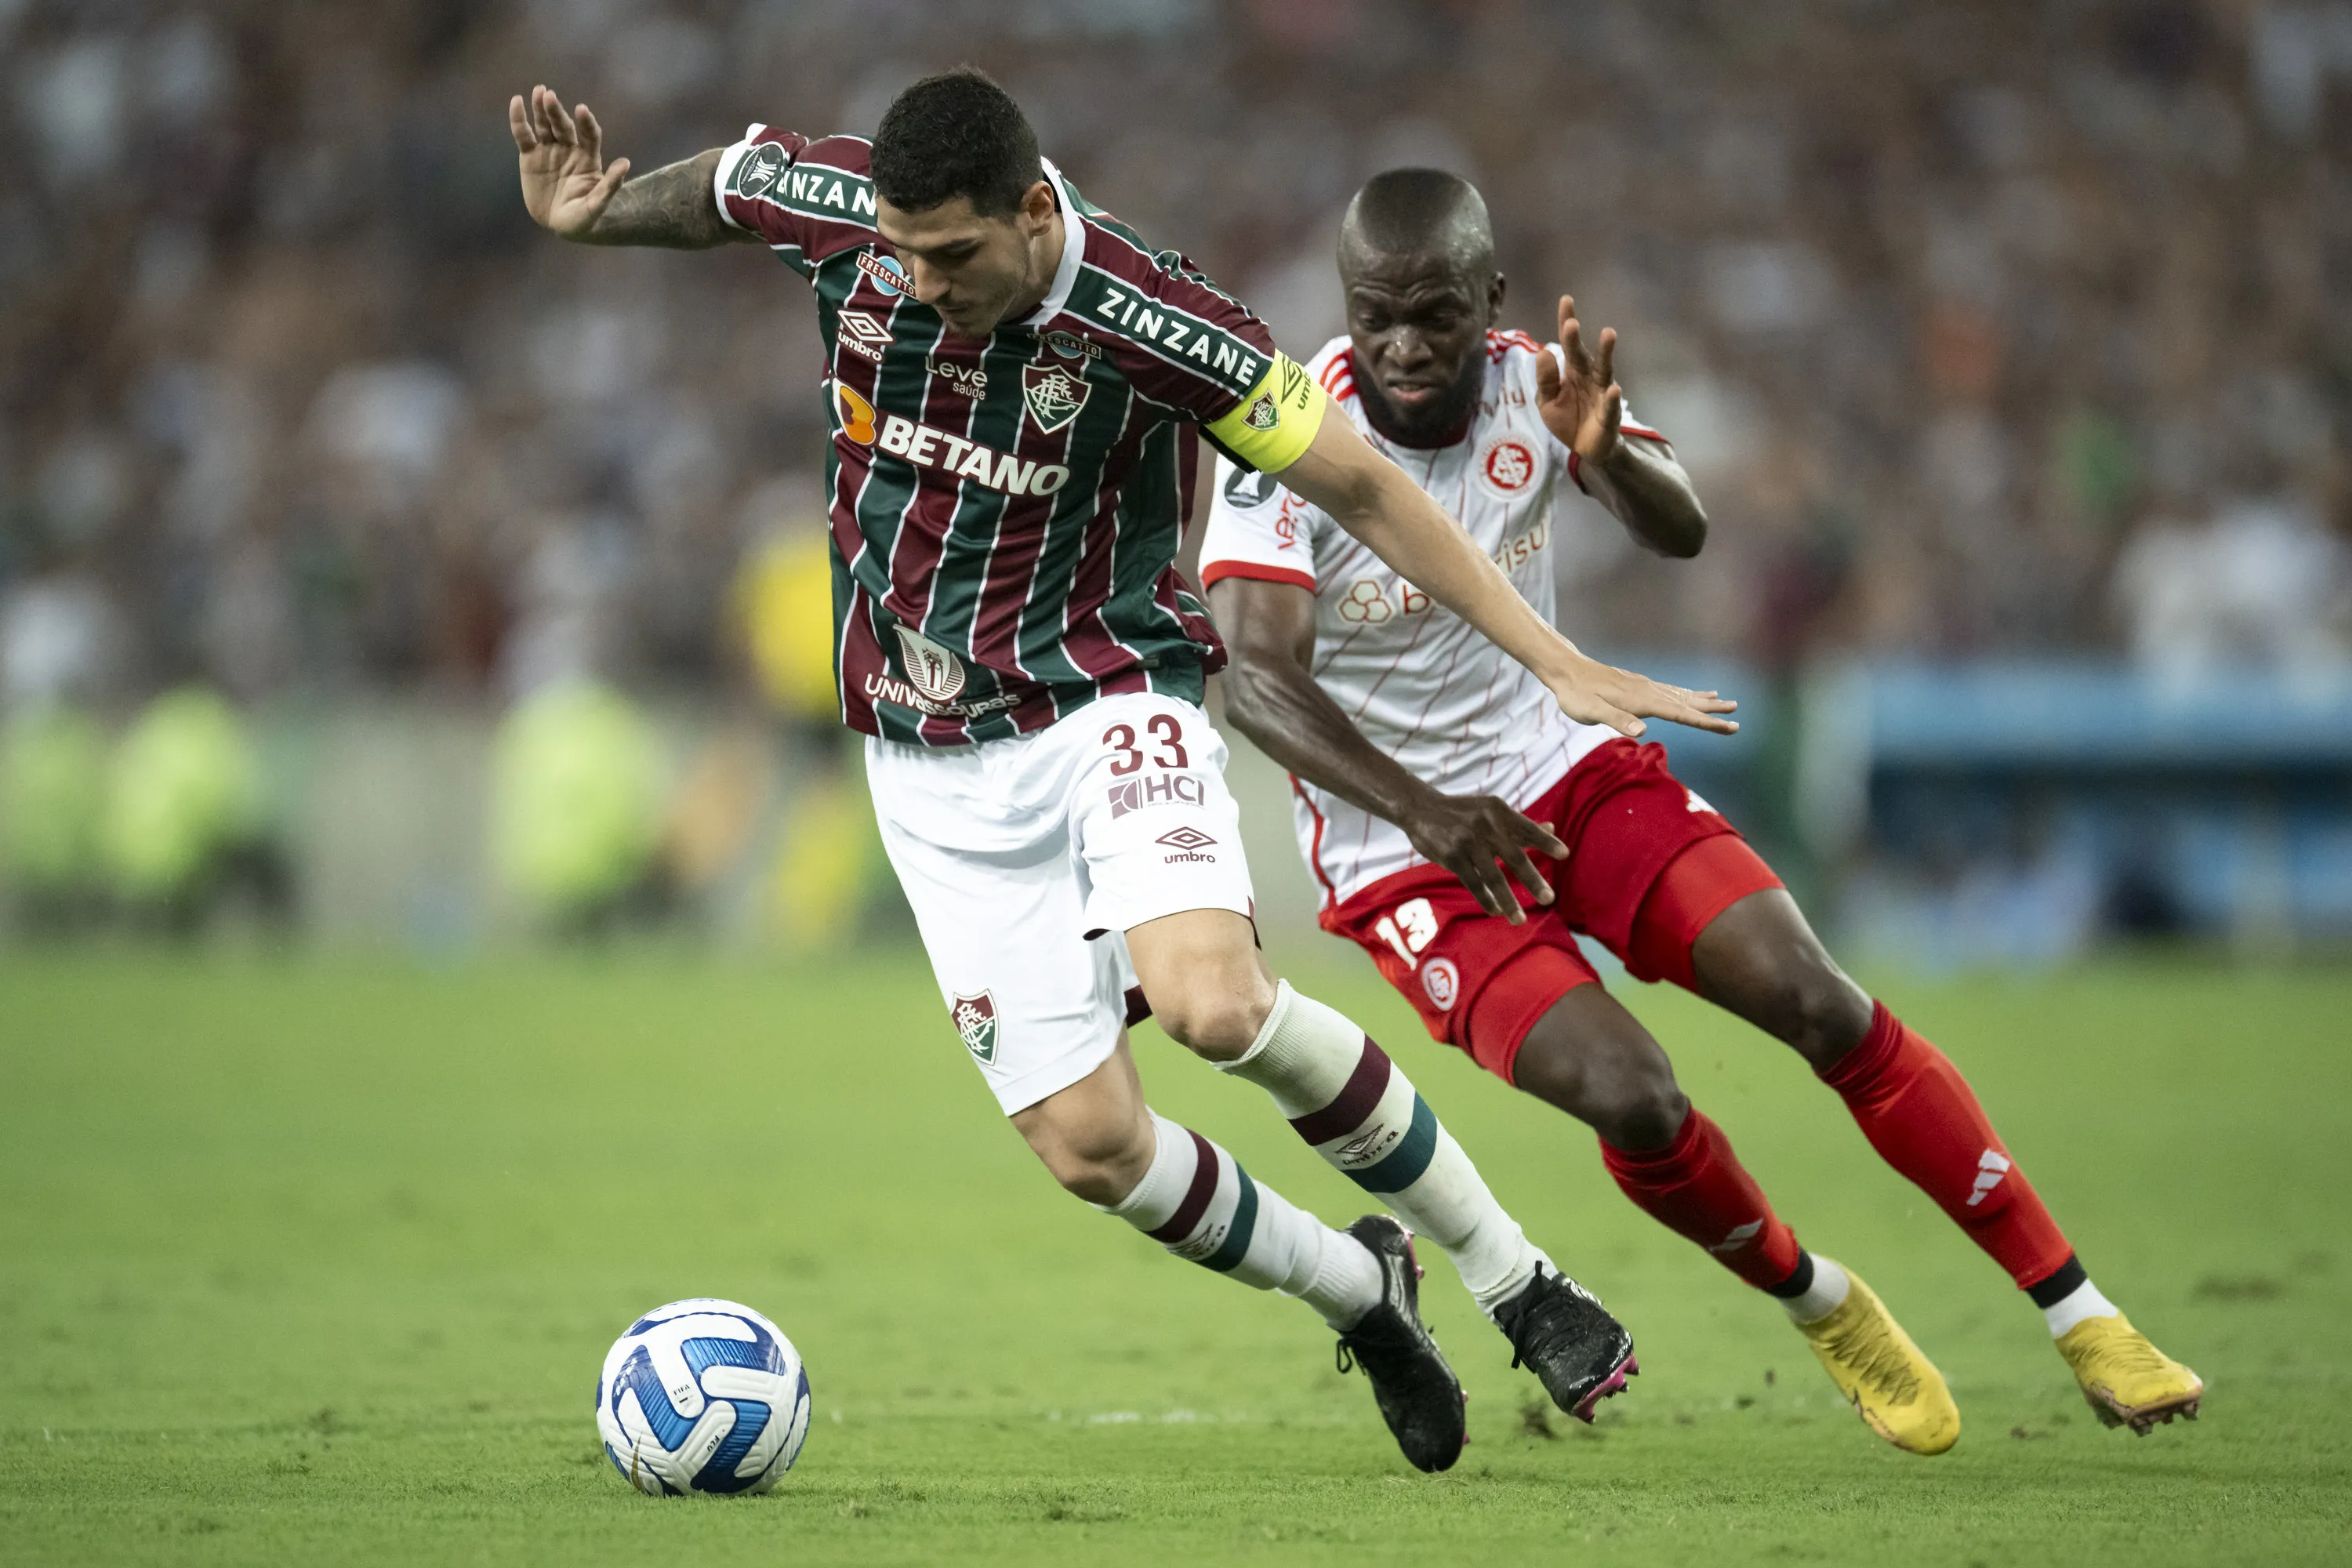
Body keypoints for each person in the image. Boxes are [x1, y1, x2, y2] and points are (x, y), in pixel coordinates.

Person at [508, 71, 1740, 1471]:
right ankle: (1361, 1289)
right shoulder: (845, 208)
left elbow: (1372, 490)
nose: (920, 285)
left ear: (1035, 211)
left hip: (1108, 695)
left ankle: (1518, 1279)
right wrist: (594, 217)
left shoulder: (1159, 320)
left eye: (956, 257)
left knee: (1216, 1008)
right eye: (904, 254)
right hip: (928, 761)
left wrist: (1549, 656)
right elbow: (724, 186)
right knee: (1096, 1147)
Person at [1200, 169, 2203, 1455]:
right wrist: (1432, 813)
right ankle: (1821, 1301)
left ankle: (2083, 1314)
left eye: (1436, 314)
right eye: (1375, 313)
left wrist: (1606, 457)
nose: (1402, 344)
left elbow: (1682, 532)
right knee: (1639, 1100)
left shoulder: (1532, 380)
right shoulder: (1285, 439)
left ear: (1488, 297)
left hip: (1565, 770)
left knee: (1817, 999)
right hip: (1408, 858)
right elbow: (1259, 687)